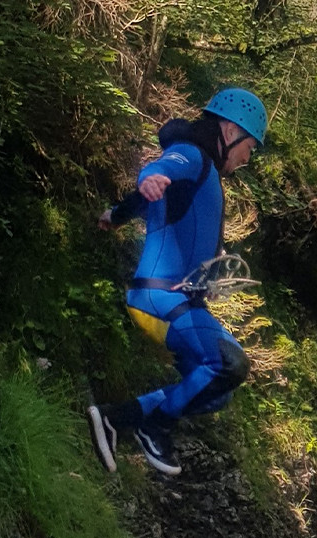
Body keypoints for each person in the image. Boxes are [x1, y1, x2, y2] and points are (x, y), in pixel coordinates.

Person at [86, 87, 267, 476]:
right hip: (158, 298)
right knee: (228, 364)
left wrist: (115, 215)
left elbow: (143, 200)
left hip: (183, 302)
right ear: (230, 130)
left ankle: (117, 418)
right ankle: (155, 426)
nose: (247, 158)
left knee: (217, 390)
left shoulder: (207, 175)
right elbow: (162, 168)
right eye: (249, 146)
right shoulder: (194, 155)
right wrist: (149, 177)